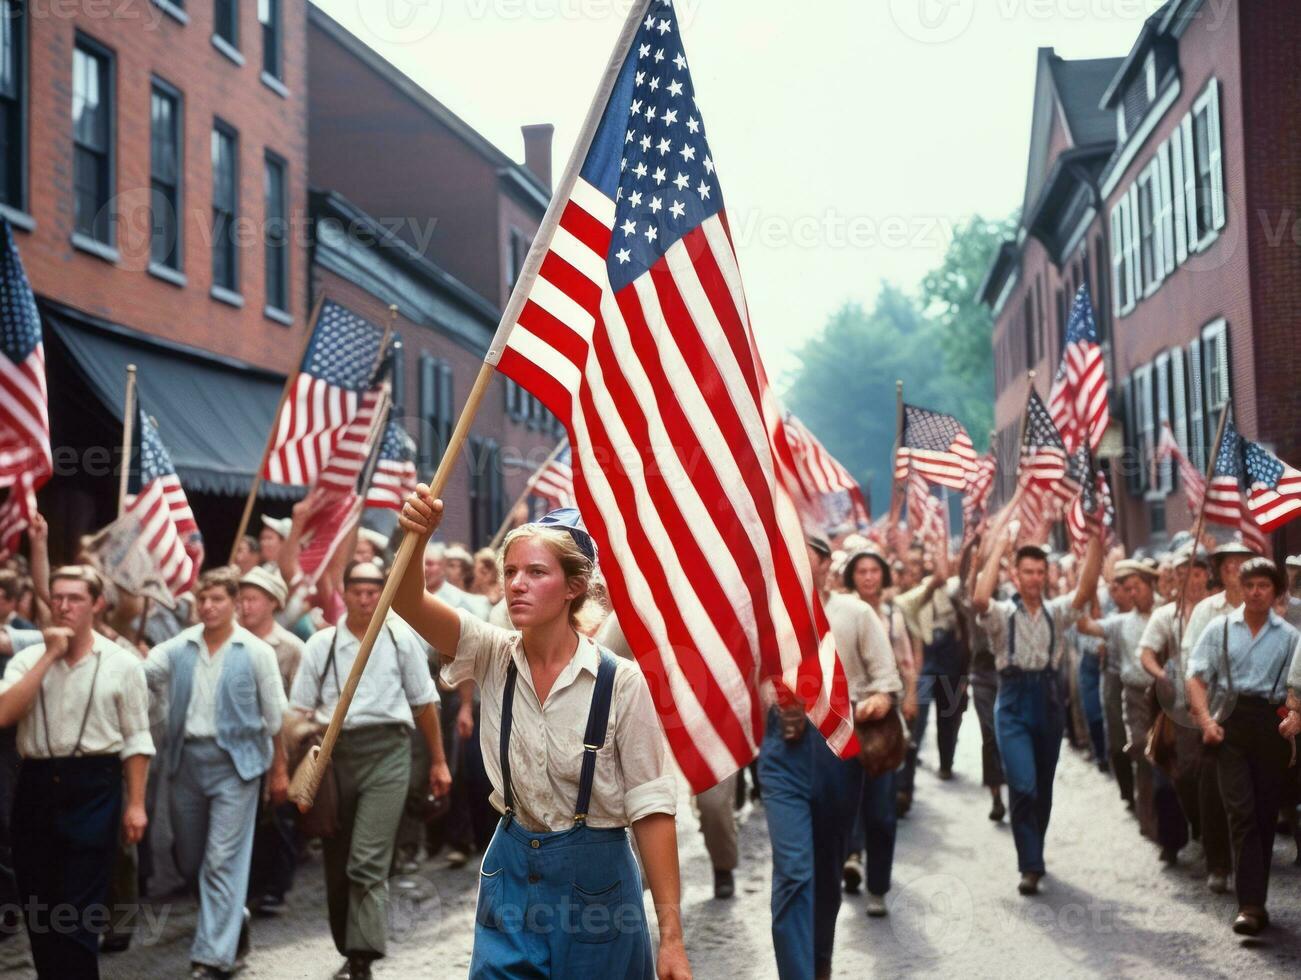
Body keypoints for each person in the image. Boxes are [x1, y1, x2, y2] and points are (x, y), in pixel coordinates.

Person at [392, 493, 691, 980]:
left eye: (535, 572)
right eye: (510, 572)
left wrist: (672, 939)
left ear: (574, 587)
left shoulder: (621, 682)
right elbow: (406, 601)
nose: (516, 585)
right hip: (511, 867)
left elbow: (651, 809)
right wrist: (418, 537)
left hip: (599, 883)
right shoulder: (491, 654)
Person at [290, 561, 452, 980]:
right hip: (333, 756)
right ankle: (349, 947)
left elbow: (423, 704)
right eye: (357, 590)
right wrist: (289, 763)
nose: (365, 599)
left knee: (366, 858)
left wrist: (438, 761)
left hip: (389, 753)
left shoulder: (400, 640)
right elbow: (297, 712)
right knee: (337, 856)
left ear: (384, 593)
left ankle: (363, 956)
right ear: (344, 593)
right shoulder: (321, 645)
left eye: (373, 591)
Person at [0, 567, 152, 979]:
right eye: (58, 598)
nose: (64, 606)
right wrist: (49, 655)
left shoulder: (123, 663)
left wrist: (136, 804)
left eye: (75, 598)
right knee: (41, 910)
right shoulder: (28, 658)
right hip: (35, 784)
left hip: (94, 784)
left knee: (80, 912)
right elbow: (4, 714)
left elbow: (137, 739)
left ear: (97, 604)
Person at [758, 537, 900, 974]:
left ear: (825, 566)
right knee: (793, 872)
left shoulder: (855, 614)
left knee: (826, 870)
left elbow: (886, 683)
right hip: (783, 747)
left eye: (808, 557)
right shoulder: (766, 616)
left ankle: (820, 960)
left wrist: (873, 704)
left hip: (840, 746)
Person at [144, 567, 289, 980]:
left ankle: (211, 957)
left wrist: (278, 771)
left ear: (234, 604)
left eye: (217, 600)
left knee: (221, 859)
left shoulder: (256, 652)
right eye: (201, 600)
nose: (207, 607)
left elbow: (275, 717)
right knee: (189, 859)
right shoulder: (178, 648)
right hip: (185, 762)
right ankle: (233, 917)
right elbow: (139, 673)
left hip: (237, 766)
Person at [971, 497, 1103, 896]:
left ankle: (1036, 850)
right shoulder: (1001, 614)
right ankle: (1029, 864)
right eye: (1025, 571)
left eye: (1038, 572)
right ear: (1015, 573)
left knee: (1042, 786)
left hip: (1046, 699)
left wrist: (1096, 537)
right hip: (1011, 700)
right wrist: (997, 548)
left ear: (1045, 575)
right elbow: (979, 598)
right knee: (1023, 784)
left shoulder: (1056, 611)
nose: (1032, 578)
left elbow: (1085, 591)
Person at [1186, 558, 1300, 936]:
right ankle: (1249, 906)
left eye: (1264, 586)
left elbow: (1294, 689)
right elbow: (1196, 677)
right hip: (1230, 723)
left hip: (1270, 725)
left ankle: (1257, 900)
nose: (1255, 592)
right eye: (1249, 584)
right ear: (1239, 585)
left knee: (1265, 814)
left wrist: (1292, 716)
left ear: (1275, 591)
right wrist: (1206, 720)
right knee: (1242, 811)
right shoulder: (1220, 629)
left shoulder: (1288, 636)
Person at [238, 567, 307, 916]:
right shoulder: (232, 641)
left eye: (253, 599)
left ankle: (274, 887)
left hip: (280, 742)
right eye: (242, 599)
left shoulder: (291, 648)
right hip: (240, 743)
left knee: (278, 818)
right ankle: (247, 886)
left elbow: (298, 704)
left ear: (273, 604)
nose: (245, 607)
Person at [1079, 560, 1160, 845]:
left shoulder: (1166, 615)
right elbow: (1087, 626)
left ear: (1150, 586)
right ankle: (1149, 822)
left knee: (1168, 760)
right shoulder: (1120, 622)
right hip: (1135, 697)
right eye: (1127, 589)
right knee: (1141, 752)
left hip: (1166, 699)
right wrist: (1083, 591)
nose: (1132, 594)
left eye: (1136, 587)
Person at [839, 548, 918, 821]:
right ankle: (853, 849)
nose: (869, 577)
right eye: (862, 572)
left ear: (883, 575)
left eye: (874, 571)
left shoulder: (892, 616)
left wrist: (909, 696)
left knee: (882, 770)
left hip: (883, 703)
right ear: (852, 576)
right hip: (848, 705)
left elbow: (906, 662)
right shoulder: (842, 612)